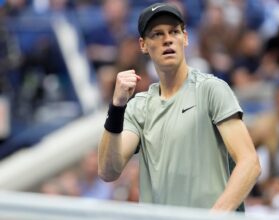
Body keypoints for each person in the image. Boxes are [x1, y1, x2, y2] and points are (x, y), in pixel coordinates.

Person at [98, 2, 261, 212]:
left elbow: (250, 164)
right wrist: (117, 107)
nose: (167, 39)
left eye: (174, 31)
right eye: (157, 34)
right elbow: (108, 171)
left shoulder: (211, 90)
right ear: (143, 45)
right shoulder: (139, 107)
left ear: (185, 38)